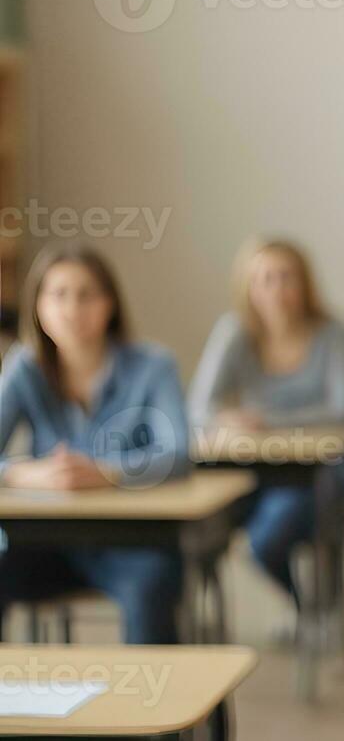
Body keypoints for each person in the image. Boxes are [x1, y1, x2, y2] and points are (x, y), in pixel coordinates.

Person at [0, 243, 190, 644]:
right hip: (47, 543)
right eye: (58, 294)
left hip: (135, 543)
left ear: (110, 304)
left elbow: (178, 453)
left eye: (86, 294)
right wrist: (29, 474)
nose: (72, 309)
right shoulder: (24, 367)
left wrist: (105, 472)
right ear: (37, 305)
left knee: (149, 590)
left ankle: (157, 705)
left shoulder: (154, 365)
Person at [189, 237, 344, 605]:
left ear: (305, 283)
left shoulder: (333, 334)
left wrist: (266, 421)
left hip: (316, 468)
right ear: (248, 287)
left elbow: (341, 409)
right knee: (201, 531)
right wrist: (226, 418)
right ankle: (307, 607)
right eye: (265, 278)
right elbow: (199, 406)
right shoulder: (234, 332)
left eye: (287, 277)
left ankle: (315, 605)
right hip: (248, 466)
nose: (277, 289)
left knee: (267, 538)